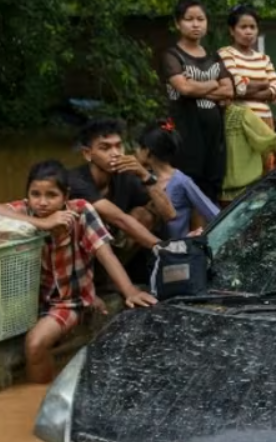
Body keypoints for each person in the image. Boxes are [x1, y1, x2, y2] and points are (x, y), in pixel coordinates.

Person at [0, 161, 156, 383]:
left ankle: (41, 404)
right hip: (30, 301)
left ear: (65, 197)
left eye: (51, 195)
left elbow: (106, 254)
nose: (42, 202)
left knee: (35, 344)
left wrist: (129, 290)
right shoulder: (26, 211)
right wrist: (40, 223)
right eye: (35, 194)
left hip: (69, 301)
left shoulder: (81, 211)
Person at [164, 0, 234, 202]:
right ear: (178, 23)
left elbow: (229, 89)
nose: (196, 24)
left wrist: (198, 88)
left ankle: (208, 231)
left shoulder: (213, 56)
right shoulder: (172, 55)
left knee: (212, 184)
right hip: (186, 133)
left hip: (214, 135)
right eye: (189, 19)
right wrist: (213, 84)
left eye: (201, 19)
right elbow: (184, 88)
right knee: (189, 183)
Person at [68, 118, 172, 254]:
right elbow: (120, 219)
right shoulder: (76, 181)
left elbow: (169, 214)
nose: (116, 153)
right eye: (105, 148)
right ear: (87, 154)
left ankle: (122, 267)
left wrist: (145, 175)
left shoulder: (125, 175)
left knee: (145, 213)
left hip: (113, 242)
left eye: (118, 146)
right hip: (79, 249)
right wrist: (164, 248)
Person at [136, 120, 220, 239]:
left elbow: (211, 212)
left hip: (178, 249)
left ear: (148, 151)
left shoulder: (182, 181)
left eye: (139, 148)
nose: (136, 152)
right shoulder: (143, 178)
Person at [219, 4, 276, 129]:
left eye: (252, 27)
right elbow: (236, 87)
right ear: (232, 30)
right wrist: (264, 85)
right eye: (243, 27)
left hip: (265, 121)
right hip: (239, 122)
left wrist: (247, 88)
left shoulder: (264, 59)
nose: (248, 32)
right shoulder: (226, 54)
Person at [221, 102, 276, 205]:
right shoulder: (205, 115)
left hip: (249, 195)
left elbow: (275, 142)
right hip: (219, 197)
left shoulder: (242, 115)